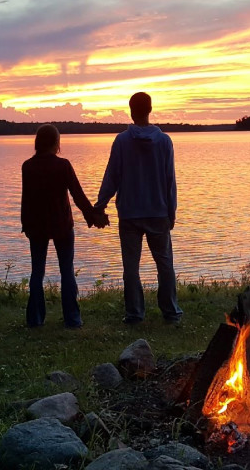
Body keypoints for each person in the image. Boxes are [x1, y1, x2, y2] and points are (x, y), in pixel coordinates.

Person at [95, 92, 183, 324]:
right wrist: (171, 211)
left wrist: (100, 204)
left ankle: (135, 314)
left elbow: (112, 176)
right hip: (158, 212)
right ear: (150, 109)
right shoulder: (164, 141)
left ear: (131, 110)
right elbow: (169, 180)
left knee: (131, 268)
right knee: (164, 264)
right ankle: (171, 312)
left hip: (130, 214)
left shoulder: (122, 141)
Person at [21, 124, 106, 328]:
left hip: (37, 226)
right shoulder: (63, 165)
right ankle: (72, 319)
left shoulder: (28, 166)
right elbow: (77, 195)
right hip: (61, 225)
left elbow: (26, 199)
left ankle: (35, 319)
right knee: (66, 270)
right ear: (56, 143)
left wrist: (25, 224)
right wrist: (93, 216)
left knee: (37, 271)